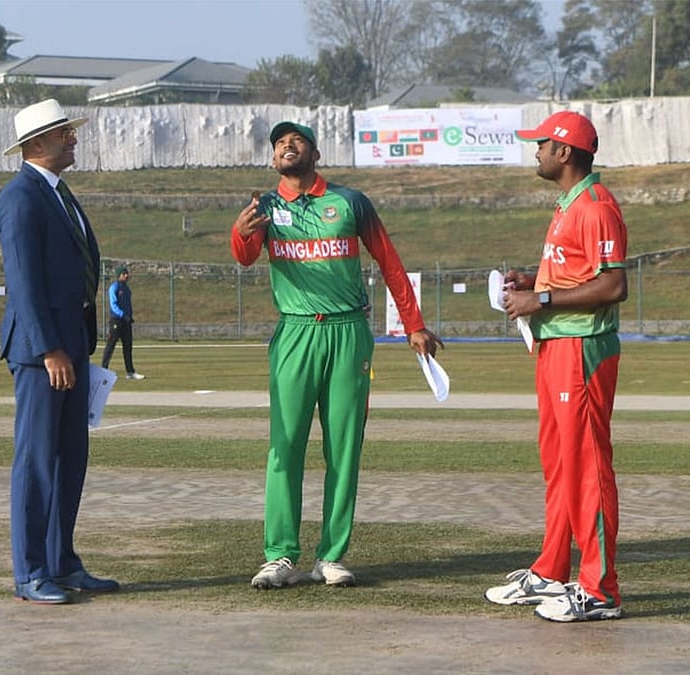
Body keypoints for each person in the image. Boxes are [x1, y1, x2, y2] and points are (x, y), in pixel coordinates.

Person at [231, 121, 443, 590]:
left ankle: (330, 555)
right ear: (272, 160)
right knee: (284, 446)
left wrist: (414, 325)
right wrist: (241, 233)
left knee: (343, 448)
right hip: (295, 333)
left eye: (297, 139)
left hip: (348, 332)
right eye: (279, 143)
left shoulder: (350, 202)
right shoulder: (263, 207)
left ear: (315, 153)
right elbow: (245, 257)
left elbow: (389, 261)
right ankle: (280, 555)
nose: (287, 145)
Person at [485, 110, 629, 622]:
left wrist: (540, 299)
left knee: (587, 468)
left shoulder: (596, 206)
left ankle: (600, 589)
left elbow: (613, 285)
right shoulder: (568, 204)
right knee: (560, 464)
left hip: (582, 352)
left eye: (543, 143)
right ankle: (550, 571)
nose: (537, 151)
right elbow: (575, 275)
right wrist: (533, 282)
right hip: (555, 349)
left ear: (565, 152)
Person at [0, 99, 119, 604]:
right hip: (42, 353)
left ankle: (61, 561)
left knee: (70, 459)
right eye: (63, 132)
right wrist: (49, 348)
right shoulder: (21, 196)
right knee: (37, 461)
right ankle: (30, 571)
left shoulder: (59, 193)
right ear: (36, 144)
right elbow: (23, 282)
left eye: (69, 131)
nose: (72, 138)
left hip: (71, 346)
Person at [100, 265, 145, 380]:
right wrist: (122, 314)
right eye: (124, 274)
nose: (126, 275)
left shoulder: (127, 289)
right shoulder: (114, 287)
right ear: (119, 275)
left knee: (128, 346)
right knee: (111, 346)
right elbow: (113, 304)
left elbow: (128, 305)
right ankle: (103, 370)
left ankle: (130, 371)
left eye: (127, 273)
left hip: (126, 321)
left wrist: (129, 316)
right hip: (116, 320)